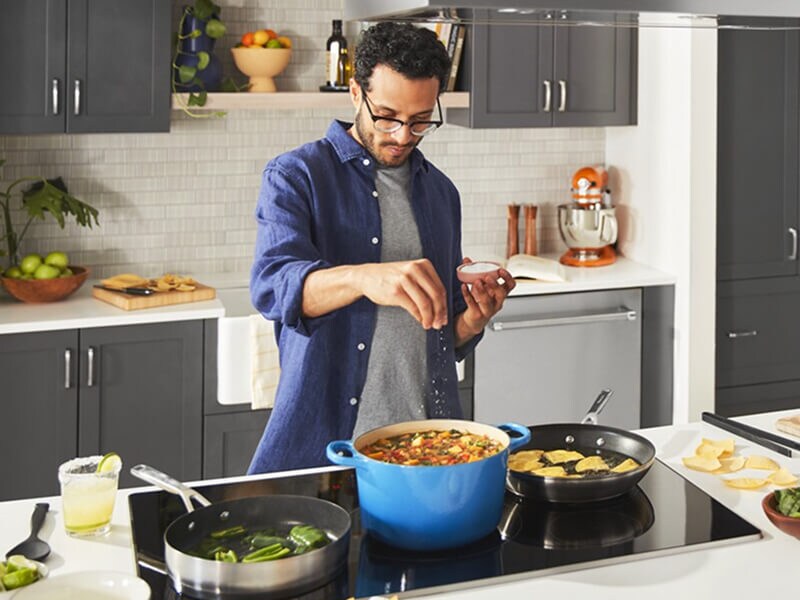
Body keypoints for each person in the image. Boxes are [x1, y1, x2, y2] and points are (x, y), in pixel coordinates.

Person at [248, 22, 515, 474]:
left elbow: (439, 340)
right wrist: (364, 277)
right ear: (356, 93)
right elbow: (273, 288)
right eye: (387, 116)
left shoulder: (441, 193)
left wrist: (472, 318)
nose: (402, 135)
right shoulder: (296, 176)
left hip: (429, 447)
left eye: (420, 120)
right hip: (330, 450)